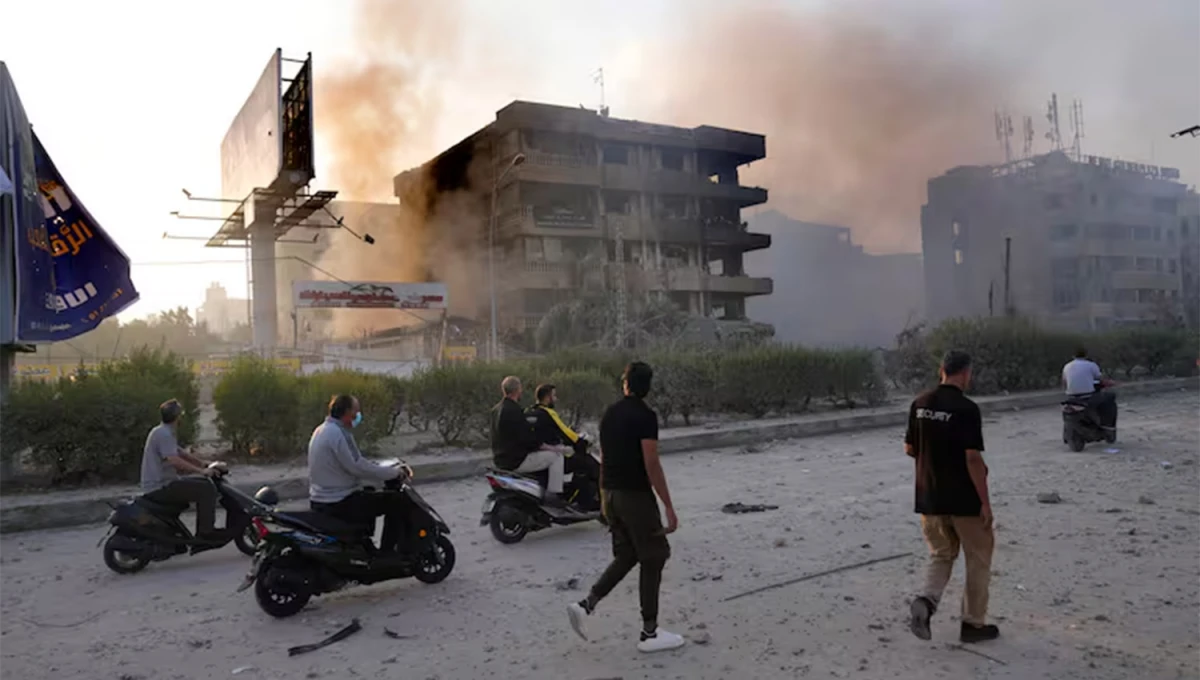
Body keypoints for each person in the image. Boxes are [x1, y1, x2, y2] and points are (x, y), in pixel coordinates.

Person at [567, 362, 685, 653]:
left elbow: (604, 460)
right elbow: (651, 463)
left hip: (612, 494)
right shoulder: (645, 417)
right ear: (647, 386)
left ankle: (586, 605)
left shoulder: (609, 414)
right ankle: (649, 633)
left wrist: (604, 498)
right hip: (635, 496)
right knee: (655, 554)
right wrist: (668, 505)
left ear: (626, 385)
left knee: (628, 554)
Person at [906, 351, 999, 644]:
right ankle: (972, 624)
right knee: (978, 559)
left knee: (941, 554)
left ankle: (927, 600)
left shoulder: (919, 403)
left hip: (929, 499)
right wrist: (984, 502)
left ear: (941, 370)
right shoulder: (966, 408)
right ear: (966, 373)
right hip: (964, 501)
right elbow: (972, 459)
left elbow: (910, 448)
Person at [308, 394, 408, 554]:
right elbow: (358, 467)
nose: (359, 415)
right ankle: (387, 554)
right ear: (347, 412)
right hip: (339, 501)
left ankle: (363, 541)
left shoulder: (322, 430)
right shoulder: (338, 434)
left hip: (322, 498)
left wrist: (379, 470)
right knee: (397, 502)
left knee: (369, 492)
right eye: (356, 410)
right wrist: (393, 473)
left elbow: (355, 463)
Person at [140, 399, 224, 542]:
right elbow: (174, 460)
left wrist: (204, 464)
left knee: (203, 483)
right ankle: (205, 533)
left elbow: (181, 453)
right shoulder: (164, 434)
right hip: (160, 486)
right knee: (206, 489)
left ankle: (201, 531)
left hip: (164, 482)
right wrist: (201, 471)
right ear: (178, 417)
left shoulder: (162, 431)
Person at [490, 376, 570, 507]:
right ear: (517, 390)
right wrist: (553, 448)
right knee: (556, 456)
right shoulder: (515, 411)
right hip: (516, 460)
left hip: (499, 459)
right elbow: (529, 439)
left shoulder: (496, 410)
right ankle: (553, 495)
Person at [527, 383, 601, 510]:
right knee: (587, 464)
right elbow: (564, 431)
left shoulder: (529, 412)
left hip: (534, 454)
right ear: (547, 398)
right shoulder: (548, 412)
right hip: (550, 454)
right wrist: (581, 442)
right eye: (554, 396)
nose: (556, 399)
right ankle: (583, 502)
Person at [1062, 346, 1117, 430]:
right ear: (1086, 355)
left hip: (1071, 397)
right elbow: (1101, 379)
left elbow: (1064, 383)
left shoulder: (1067, 366)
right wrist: (1112, 383)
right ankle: (1108, 425)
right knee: (1109, 397)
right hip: (1087, 396)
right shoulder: (1091, 365)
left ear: (1073, 356)